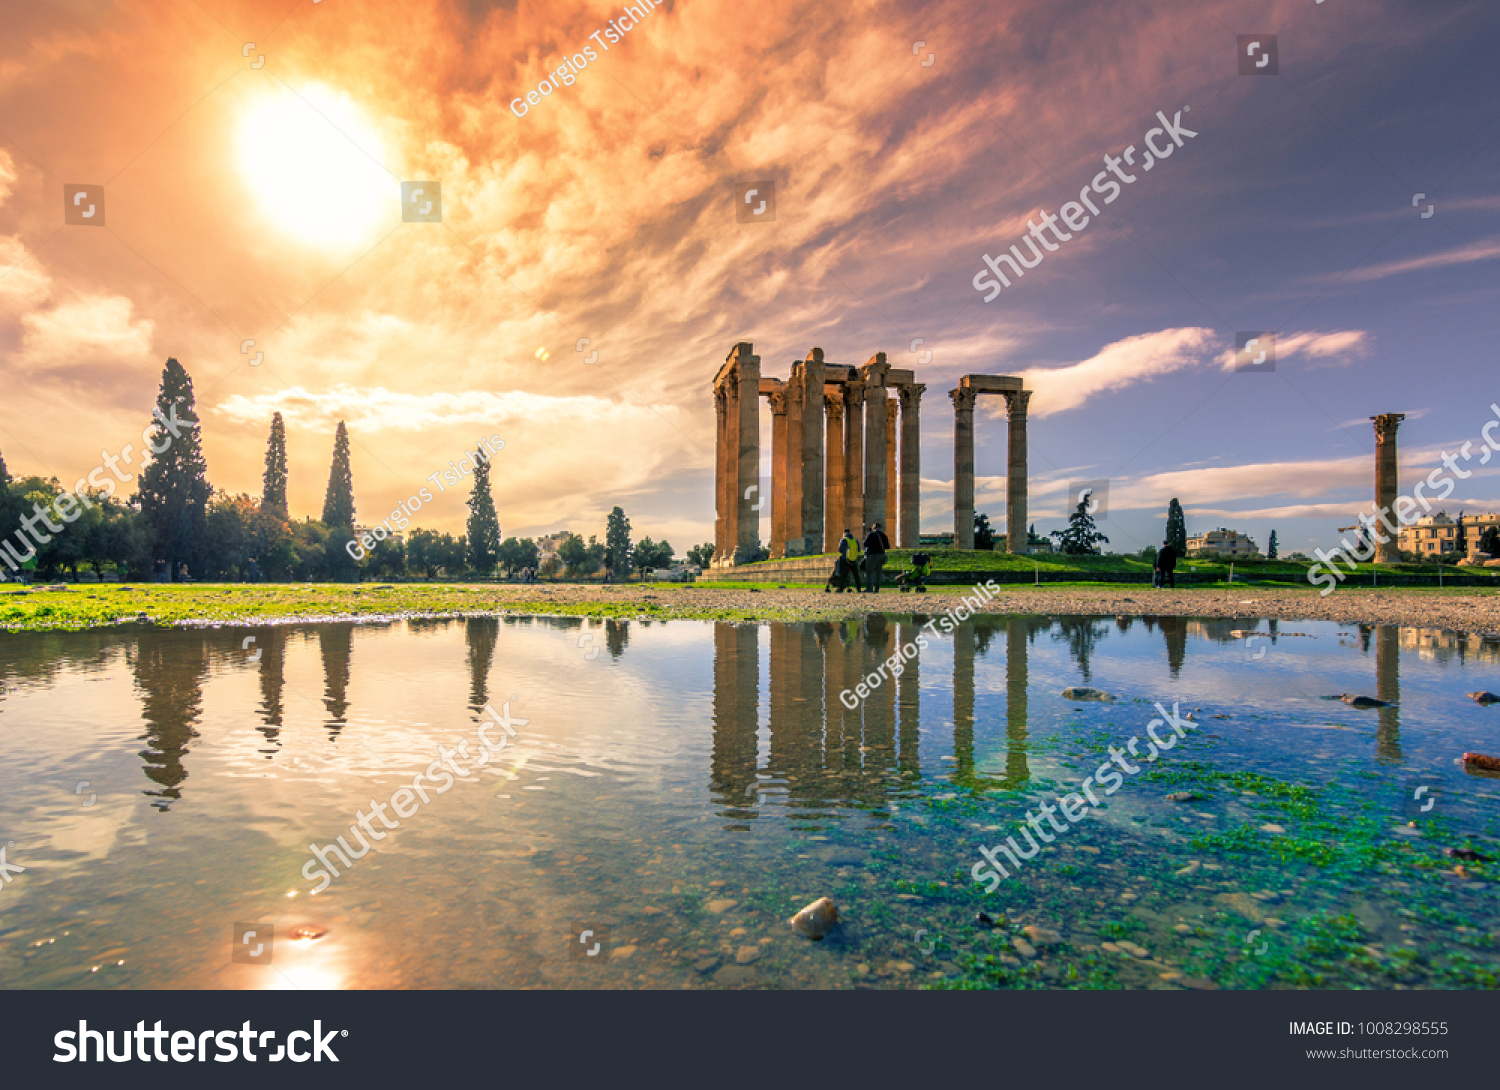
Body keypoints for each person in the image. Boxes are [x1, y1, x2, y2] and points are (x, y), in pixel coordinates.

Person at [863, 521, 890, 593]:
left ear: (873, 528)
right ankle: (877, 589)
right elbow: (887, 547)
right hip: (881, 555)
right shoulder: (884, 535)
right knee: (879, 573)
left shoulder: (871, 534)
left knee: (869, 572)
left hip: (872, 555)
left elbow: (865, 543)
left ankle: (869, 588)